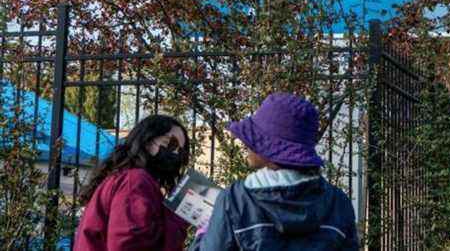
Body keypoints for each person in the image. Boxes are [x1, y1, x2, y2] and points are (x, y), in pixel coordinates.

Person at [191, 92, 359, 250]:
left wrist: (204, 233)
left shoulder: (235, 200)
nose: (246, 144)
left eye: (256, 138)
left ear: (270, 148)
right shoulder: (338, 203)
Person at [74, 114, 191, 251]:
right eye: (171, 144)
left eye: (180, 151)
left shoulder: (130, 178)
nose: (175, 153)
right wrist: (177, 219)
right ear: (147, 140)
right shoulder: (135, 181)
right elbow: (128, 244)